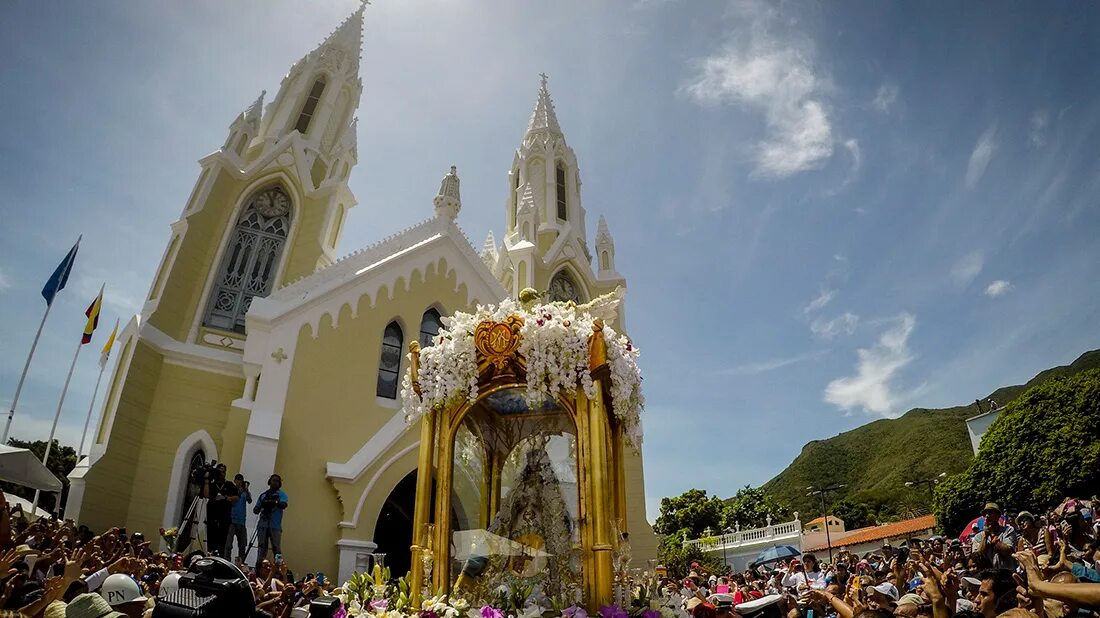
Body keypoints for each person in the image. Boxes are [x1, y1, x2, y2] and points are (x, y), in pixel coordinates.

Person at [254, 473, 289, 570]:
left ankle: (279, 568)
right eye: (273, 480)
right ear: (270, 482)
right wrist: (263, 505)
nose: (275, 482)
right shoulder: (263, 495)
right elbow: (256, 509)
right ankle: (259, 567)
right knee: (261, 547)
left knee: (276, 548)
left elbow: (284, 505)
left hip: (275, 525)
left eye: (277, 481)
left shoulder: (281, 494)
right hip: (263, 524)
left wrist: (275, 502)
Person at [202, 463, 238, 557]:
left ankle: (220, 560)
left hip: (224, 518)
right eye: (219, 472)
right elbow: (206, 495)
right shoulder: (212, 485)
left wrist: (224, 497)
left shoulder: (229, 485)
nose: (221, 474)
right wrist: (206, 480)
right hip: (212, 517)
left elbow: (236, 498)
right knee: (211, 542)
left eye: (223, 472)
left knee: (222, 543)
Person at [971, 503, 1017, 570]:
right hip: (988, 575)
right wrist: (985, 537)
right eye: (985, 514)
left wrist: (992, 535)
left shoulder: (1008, 530)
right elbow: (977, 557)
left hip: (1006, 573)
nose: (987, 516)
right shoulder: (978, 536)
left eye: (990, 513)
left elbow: (1008, 552)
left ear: (998, 515)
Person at [224, 474, 252, 564]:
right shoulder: (232, 490)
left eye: (241, 480)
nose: (239, 481)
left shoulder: (244, 491)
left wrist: (246, 490)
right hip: (232, 520)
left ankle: (240, 563)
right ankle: (226, 561)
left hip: (242, 521)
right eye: (238, 479)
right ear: (235, 480)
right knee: (228, 544)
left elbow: (250, 500)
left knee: (242, 544)